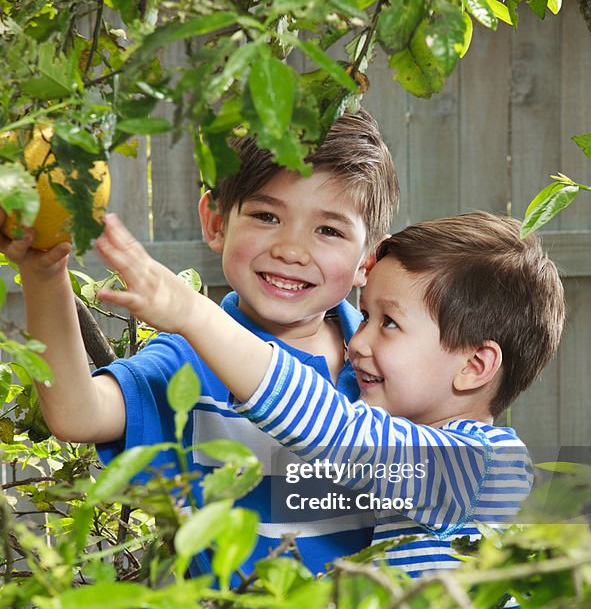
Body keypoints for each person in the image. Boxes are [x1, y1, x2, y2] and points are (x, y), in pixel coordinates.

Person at [0, 109, 400, 577]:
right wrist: (44, 273)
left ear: (367, 261)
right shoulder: (190, 358)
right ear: (215, 223)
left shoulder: (389, 359)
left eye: (328, 230)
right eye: (266, 215)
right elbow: (76, 413)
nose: (292, 250)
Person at [92, 210, 566, 576]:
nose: (358, 340)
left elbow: (336, 431)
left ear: (473, 366)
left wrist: (195, 316)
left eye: (390, 324)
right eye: (367, 316)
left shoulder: (481, 467)